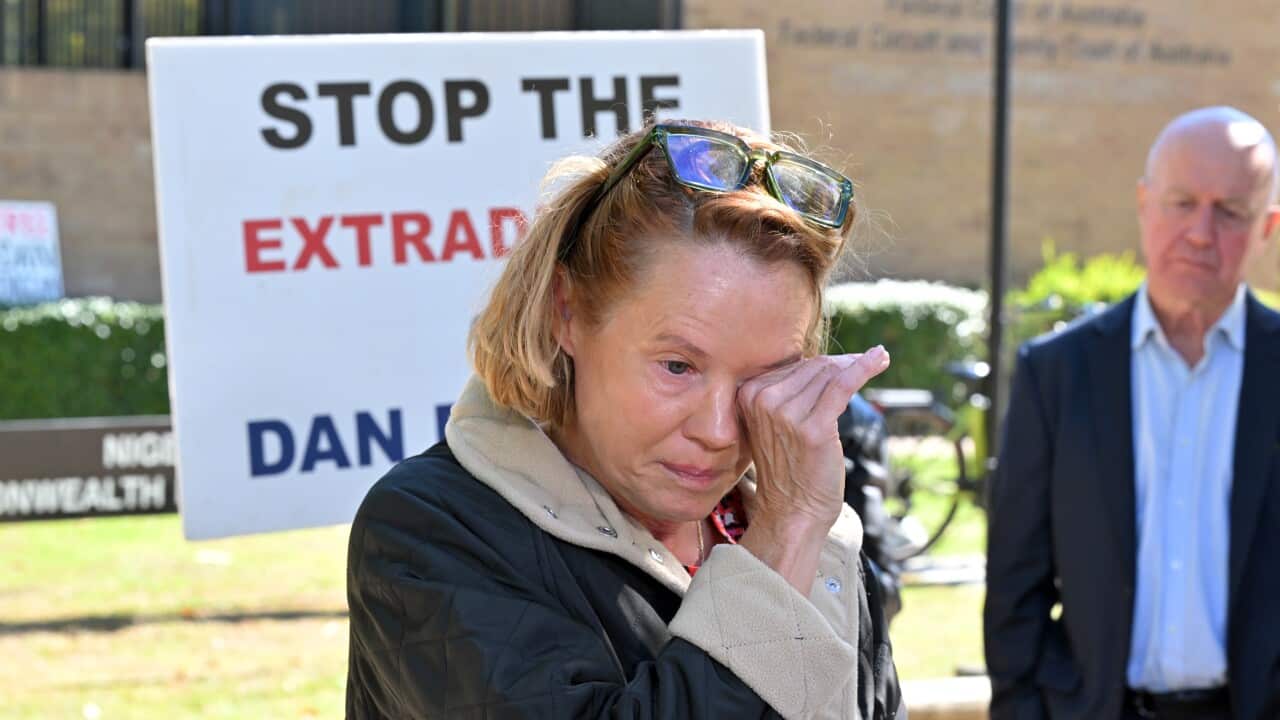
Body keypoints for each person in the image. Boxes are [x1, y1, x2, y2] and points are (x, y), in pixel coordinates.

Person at [345, 120, 906, 719]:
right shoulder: (432, 527)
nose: (719, 430)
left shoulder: (809, 531)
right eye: (677, 365)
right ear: (567, 312)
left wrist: (798, 531)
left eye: (762, 378)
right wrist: (781, 546)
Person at [984, 105, 1280, 720]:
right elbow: (1016, 585)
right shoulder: (1057, 373)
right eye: (1181, 202)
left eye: (1229, 211)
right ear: (1144, 203)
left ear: (1267, 227)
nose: (1201, 231)